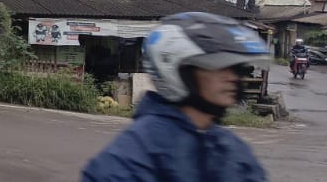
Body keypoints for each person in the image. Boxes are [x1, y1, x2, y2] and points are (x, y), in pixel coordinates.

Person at [82, 11, 271, 182]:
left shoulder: (232, 148)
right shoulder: (131, 156)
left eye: (235, 68)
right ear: (182, 71)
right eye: (219, 66)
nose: (232, 78)